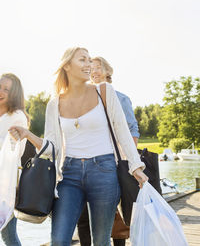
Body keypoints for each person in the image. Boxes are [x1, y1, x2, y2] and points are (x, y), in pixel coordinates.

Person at [9, 47, 148, 246]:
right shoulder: (54, 103)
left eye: (89, 60)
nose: (89, 65)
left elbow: (122, 132)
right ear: (66, 65)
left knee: (101, 241)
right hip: (69, 175)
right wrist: (28, 135)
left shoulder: (104, 91)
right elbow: (52, 147)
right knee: (58, 239)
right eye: (83, 60)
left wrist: (136, 167)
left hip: (104, 171)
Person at [77, 56, 139, 246]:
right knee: (83, 218)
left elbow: (132, 132)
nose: (93, 71)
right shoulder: (83, 99)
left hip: (113, 165)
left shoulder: (120, 98)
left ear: (107, 72)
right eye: (91, 68)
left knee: (115, 217)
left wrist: (127, 161)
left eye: (97, 67)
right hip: (86, 164)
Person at [0, 73, 28, 246]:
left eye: (6, 89)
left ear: (14, 94)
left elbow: (16, 149)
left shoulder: (17, 116)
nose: (1, 91)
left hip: (6, 183)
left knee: (8, 234)